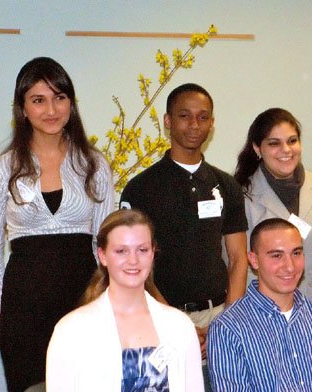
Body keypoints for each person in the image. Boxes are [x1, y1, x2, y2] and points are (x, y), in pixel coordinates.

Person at [0, 57, 114, 392]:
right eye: (38, 100)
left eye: (59, 97)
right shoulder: (1, 169)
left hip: (85, 304)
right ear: (23, 108)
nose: (51, 109)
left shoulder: (94, 164)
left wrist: (107, 305)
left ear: (71, 103)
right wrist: (5, 313)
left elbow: (108, 245)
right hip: (23, 311)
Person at [119, 83, 248, 385]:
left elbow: (239, 257)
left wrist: (228, 320)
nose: (194, 125)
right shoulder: (141, 188)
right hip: (152, 319)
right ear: (168, 121)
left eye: (203, 117)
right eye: (185, 116)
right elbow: (131, 266)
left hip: (218, 319)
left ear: (212, 124)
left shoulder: (226, 185)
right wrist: (174, 323)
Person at [46, 209, 203, 391]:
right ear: (102, 256)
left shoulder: (180, 327)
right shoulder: (70, 331)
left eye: (142, 250)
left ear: (153, 253)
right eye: (121, 251)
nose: (133, 260)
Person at [207, 218, 312, 391]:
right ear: (253, 260)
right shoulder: (228, 329)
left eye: (296, 253)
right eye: (276, 256)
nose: (289, 267)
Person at [233, 107, 312, 317]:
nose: (286, 150)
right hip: (263, 314)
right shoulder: (241, 196)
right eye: (274, 143)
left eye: (292, 141)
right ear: (257, 148)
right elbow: (238, 265)